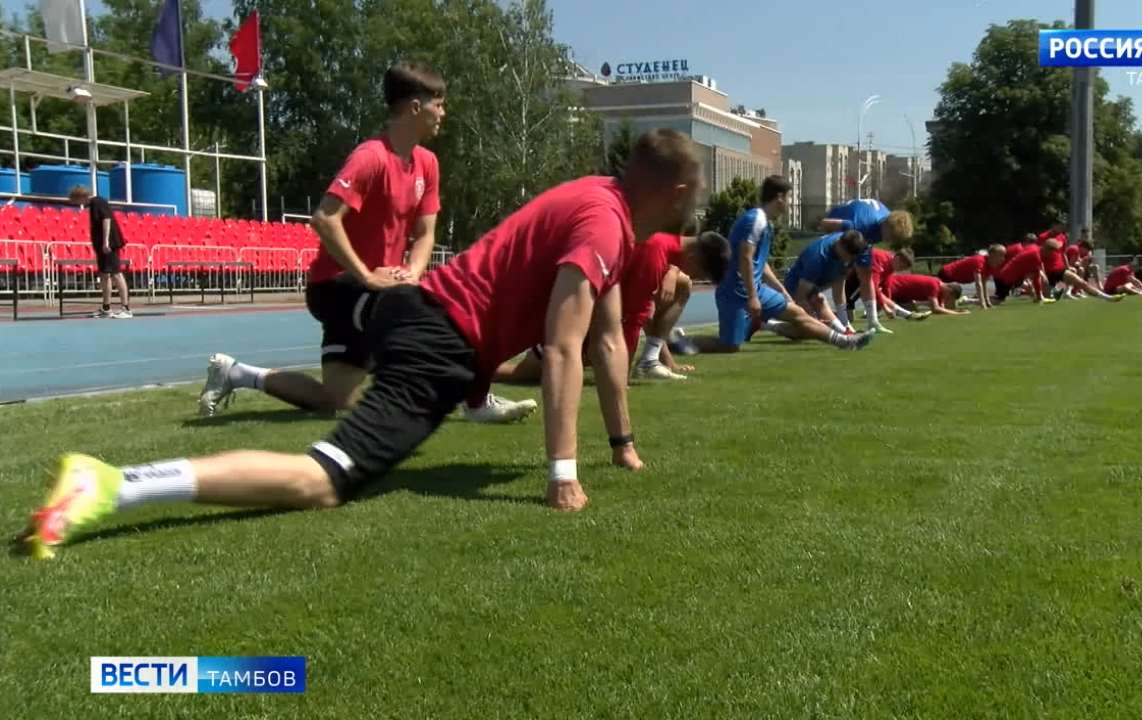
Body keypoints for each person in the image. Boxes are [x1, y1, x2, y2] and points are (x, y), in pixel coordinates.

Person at [18, 128, 705, 559]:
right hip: (437, 340)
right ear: (673, 191)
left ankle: (224, 399)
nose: (694, 208)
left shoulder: (600, 203)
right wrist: (563, 475)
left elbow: (605, 340)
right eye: (694, 195)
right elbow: (564, 349)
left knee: (340, 398)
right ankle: (112, 483)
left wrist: (622, 444)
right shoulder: (605, 226)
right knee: (320, 481)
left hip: (422, 317)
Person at [195, 63, 534, 424]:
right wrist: (368, 277)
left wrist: (412, 272)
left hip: (377, 288)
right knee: (428, 315)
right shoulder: (371, 157)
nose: (444, 113)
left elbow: (425, 234)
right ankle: (475, 400)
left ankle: (235, 373)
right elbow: (324, 219)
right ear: (415, 108)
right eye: (439, 104)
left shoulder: (428, 164)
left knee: (336, 399)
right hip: (337, 287)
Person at [492, 231, 730, 384]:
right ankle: (471, 372)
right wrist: (621, 377)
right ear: (696, 257)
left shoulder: (662, 247)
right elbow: (635, 320)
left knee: (680, 285)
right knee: (524, 374)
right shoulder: (655, 255)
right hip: (572, 312)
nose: (696, 275)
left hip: (588, 314)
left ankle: (647, 361)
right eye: (702, 272)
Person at [691, 176, 872, 353]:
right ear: (779, 198)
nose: (789, 202)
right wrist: (753, 297)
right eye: (788, 197)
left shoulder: (766, 224)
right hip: (736, 292)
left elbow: (759, 263)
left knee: (798, 314)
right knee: (729, 346)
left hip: (756, 289)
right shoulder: (756, 219)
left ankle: (846, 341)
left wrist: (781, 291)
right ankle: (678, 342)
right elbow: (745, 257)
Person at [819, 198, 918, 332]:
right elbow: (824, 224)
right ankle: (844, 323)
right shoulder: (860, 224)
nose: (891, 241)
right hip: (843, 234)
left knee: (866, 276)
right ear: (887, 226)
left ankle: (873, 322)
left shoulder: (887, 221)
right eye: (892, 236)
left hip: (864, 236)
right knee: (840, 276)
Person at [779, 229, 863, 332]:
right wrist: (810, 316)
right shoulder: (817, 257)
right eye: (847, 256)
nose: (848, 260)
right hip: (795, 285)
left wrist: (845, 322)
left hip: (817, 282)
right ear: (841, 246)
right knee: (815, 311)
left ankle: (845, 330)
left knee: (818, 307)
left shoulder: (848, 245)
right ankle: (771, 325)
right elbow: (801, 293)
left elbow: (839, 289)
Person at [69, 186, 131, 319]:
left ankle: (126, 308)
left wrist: (106, 241)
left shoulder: (98, 202)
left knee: (116, 274)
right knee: (104, 274)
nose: (77, 204)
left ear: (81, 197)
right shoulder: (92, 206)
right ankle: (106, 307)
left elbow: (106, 219)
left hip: (109, 244)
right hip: (101, 246)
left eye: (76, 200)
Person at [843, 246, 927, 334]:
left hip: (859, 280)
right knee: (846, 318)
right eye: (902, 267)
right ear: (897, 258)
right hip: (853, 280)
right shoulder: (881, 259)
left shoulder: (890, 264)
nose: (901, 270)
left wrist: (888, 306)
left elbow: (886, 287)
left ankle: (907, 314)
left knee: (848, 318)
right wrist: (885, 308)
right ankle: (906, 315)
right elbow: (873, 286)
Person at [937, 244, 1005, 309]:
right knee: (947, 305)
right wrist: (982, 304)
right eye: (1001, 255)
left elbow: (984, 284)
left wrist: (988, 303)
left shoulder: (990, 266)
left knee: (950, 305)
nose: (1003, 259)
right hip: (946, 274)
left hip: (954, 279)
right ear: (992, 255)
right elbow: (978, 284)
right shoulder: (980, 261)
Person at [887, 273, 969, 316]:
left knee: (914, 315)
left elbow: (943, 308)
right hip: (893, 286)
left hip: (903, 296)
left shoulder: (940, 290)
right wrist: (958, 314)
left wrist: (957, 311)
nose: (948, 299)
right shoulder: (934, 285)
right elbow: (936, 309)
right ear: (949, 290)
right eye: (950, 297)